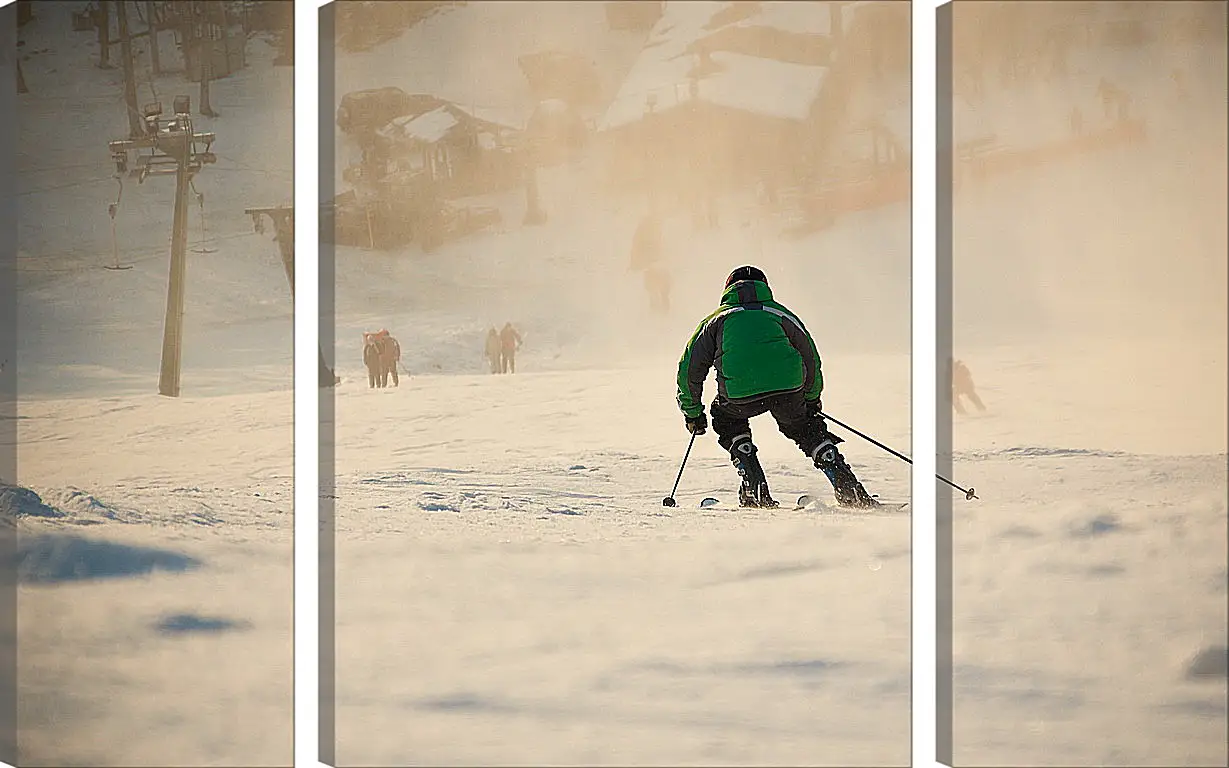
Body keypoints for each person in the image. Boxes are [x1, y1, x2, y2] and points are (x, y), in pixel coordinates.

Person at [675, 265, 879, 509]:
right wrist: (811, 399)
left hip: (739, 395)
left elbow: (689, 370)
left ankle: (753, 484)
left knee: (726, 417)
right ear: (765, 286)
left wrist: (693, 413)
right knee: (805, 428)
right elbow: (810, 358)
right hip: (788, 389)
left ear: (727, 288)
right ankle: (847, 487)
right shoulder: (780, 314)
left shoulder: (716, 320)